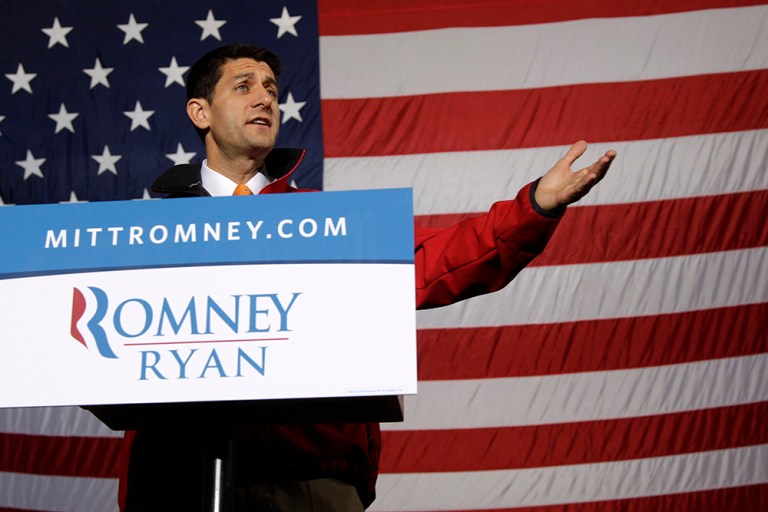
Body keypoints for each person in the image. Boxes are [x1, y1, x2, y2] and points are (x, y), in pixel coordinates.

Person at [120, 44, 616, 511]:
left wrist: (533, 208)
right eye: (245, 86)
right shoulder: (144, 234)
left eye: (272, 88)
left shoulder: (324, 220)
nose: (265, 99)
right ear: (200, 112)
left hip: (309, 482)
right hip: (175, 480)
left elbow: (435, 259)